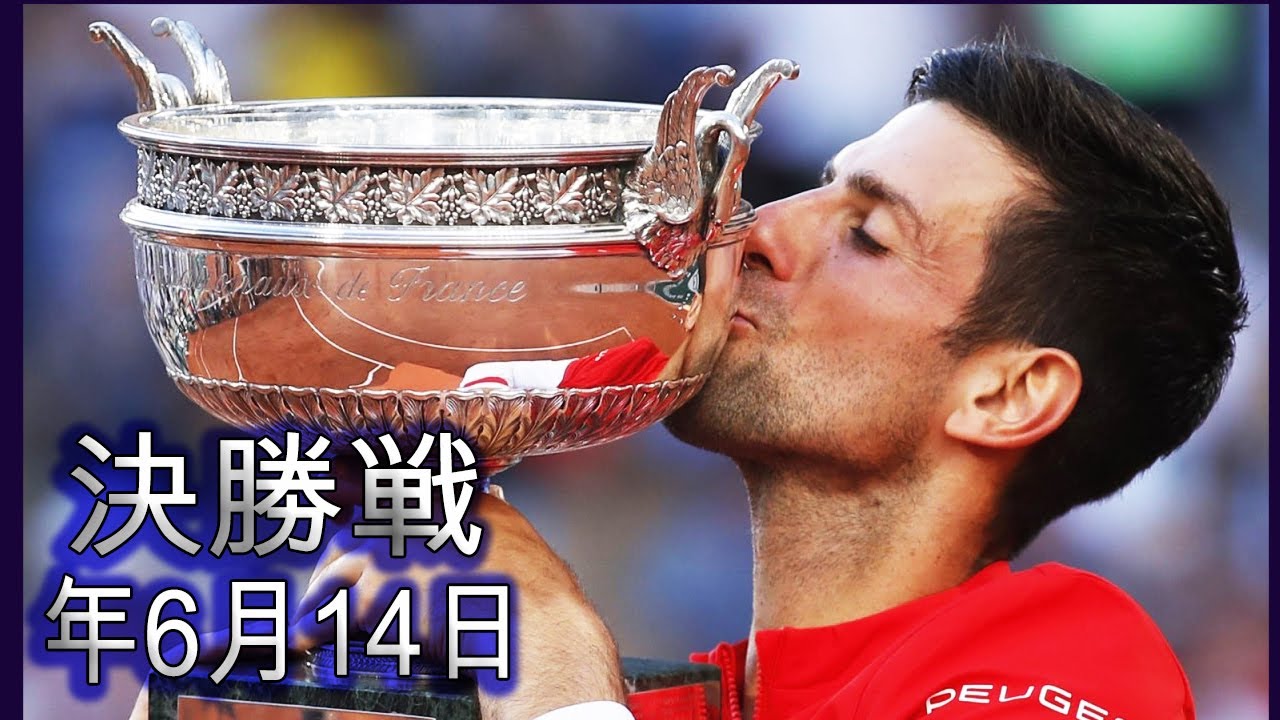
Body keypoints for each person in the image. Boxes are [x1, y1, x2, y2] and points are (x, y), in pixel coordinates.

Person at [129, 38, 1247, 720]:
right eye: (813, 189)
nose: (754, 230)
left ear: (1006, 395)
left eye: (867, 235)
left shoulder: (1066, 667)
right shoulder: (649, 703)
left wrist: (551, 652)